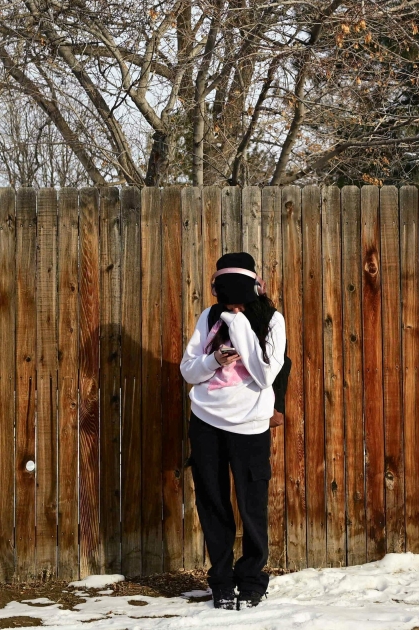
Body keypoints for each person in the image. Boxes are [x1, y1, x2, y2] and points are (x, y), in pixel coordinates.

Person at [180, 252, 286, 611]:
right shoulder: (208, 317)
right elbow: (188, 370)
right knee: (213, 503)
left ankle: (253, 579)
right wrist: (214, 360)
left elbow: (266, 374)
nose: (231, 302)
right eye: (226, 294)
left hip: (250, 425)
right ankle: (221, 581)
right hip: (206, 422)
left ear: (256, 287)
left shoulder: (272, 320)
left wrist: (239, 327)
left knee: (252, 505)